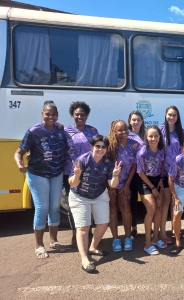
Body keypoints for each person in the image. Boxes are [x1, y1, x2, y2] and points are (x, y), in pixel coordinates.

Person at [14, 100, 74, 259]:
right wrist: (19, 163)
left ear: (57, 115)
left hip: (56, 173)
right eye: (48, 114)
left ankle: (54, 241)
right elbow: (19, 151)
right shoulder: (34, 131)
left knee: (54, 207)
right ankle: (39, 245)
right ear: (42, 114)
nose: (51, 117)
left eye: (54, 114)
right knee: (42, 207)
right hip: (37, 173)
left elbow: (71, 146)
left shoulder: (60, 130)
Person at [68, 135, 121, 273]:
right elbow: (72, 183)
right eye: (97, 146)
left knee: (103, 223)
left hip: (99, 194)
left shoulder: (108, 162)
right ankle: (85, 259)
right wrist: (77, 174)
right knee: (83, 227)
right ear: (92, 147)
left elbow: (112, 185)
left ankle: (93, 247)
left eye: (103, 147)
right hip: (80, 197)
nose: (100, 149)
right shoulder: (82, 160)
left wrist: (115, 175)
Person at [63, 101, 98, 247]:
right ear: (72, 115)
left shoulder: (93, 131)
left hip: (90, 173)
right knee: (74, 206)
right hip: (70, 172)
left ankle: (88, 233)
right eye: (77, 114)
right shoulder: (65, 131)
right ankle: (75, 235)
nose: (79, 117)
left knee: (89, 204)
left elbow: (98, 150)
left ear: (87, 116)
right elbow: (58, 148)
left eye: (82, 114)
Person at [107, 119, 140, 252]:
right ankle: (115, 239)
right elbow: (106, 166)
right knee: (113, 208)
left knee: (126, 208)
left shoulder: (134, 144)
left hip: (125, 182)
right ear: (114, 132)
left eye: (125, 129)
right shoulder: (109, 145)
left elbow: (134, 165)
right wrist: (110, 186)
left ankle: (127, 237)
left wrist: (126, 185)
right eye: (120, 130)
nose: (123, 132)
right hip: (111, 182)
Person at [136, 125, 166, 255]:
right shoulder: (142, 153)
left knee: (159, 208)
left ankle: (155, 238)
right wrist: (153, 188)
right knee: (152, 209)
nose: (153, 138)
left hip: (156, 180)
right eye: (150, 136)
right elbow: (141, 173)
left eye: (156, 136)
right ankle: (147, 243)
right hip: (144, 181)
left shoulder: (161, 150)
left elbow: (163, 164)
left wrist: (159, 179)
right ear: (146, 138)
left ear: (160, 137)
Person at [159, 106, 184, 244]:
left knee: (175, 204)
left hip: (178, 174)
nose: (171, 117)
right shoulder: (159, 130)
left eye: (174, 115)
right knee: (166, 202)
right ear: (165, 114)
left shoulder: (182, 132)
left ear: (177, 117)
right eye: (169, 114)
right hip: (163, 173)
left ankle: (175, 230)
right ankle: (163, 232)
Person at [127, 110, 146, 239]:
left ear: (142, 121)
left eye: (138, 119)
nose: (136, 122)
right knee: (132, 200)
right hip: (131, 172)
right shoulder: (126, 135)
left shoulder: (146, 135)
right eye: (133, 119)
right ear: (130, 121)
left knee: (146, 200)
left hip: (145, 173)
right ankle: (133, 228)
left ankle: (147, 227)